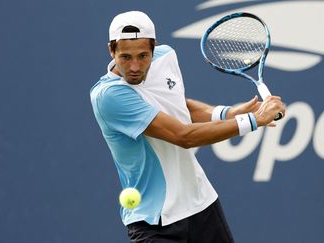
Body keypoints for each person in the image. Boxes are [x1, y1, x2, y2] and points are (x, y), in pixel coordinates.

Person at [90, 10, 285, 243]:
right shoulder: (109, 96)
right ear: (111, 51)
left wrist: (227, 113)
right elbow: (183, 136)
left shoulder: (166, 58)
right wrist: (254, 121)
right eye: (125, 57)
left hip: (202, 204)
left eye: (143, 56)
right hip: (156, 223)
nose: (134, 66)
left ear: (154, 49)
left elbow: (177, 106)